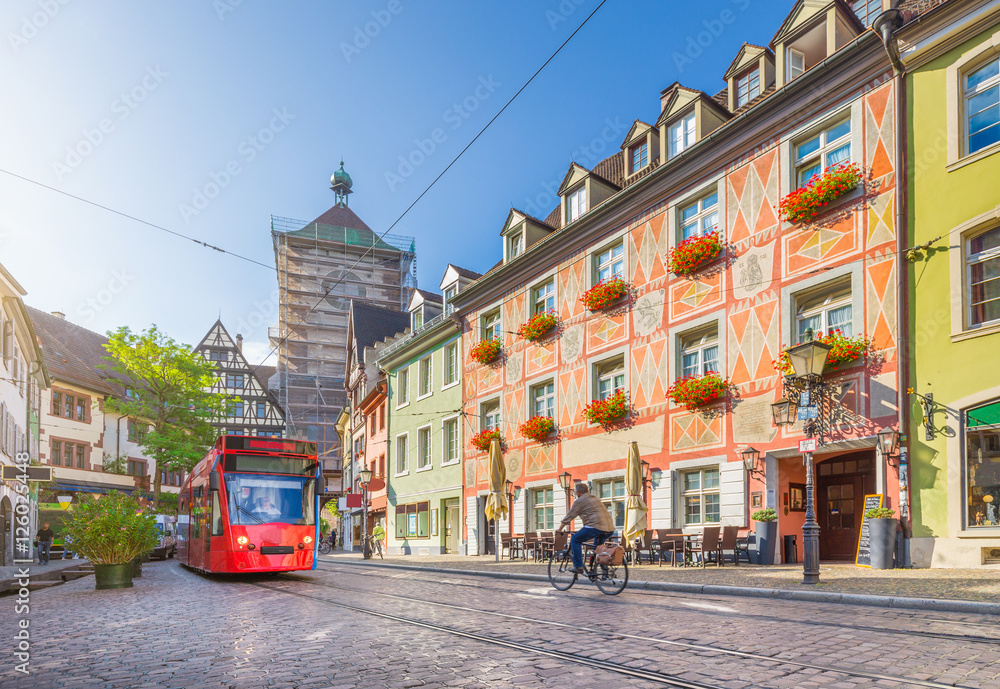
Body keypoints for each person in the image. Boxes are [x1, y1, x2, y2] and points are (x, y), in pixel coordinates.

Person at [556, 483, 615, 574]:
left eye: (576, 492)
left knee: (575, 539)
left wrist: (559, 529)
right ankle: (605, 572)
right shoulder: (595, 498)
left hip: (595, 526)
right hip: (609, 528)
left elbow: (570, 515)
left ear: (578, 492)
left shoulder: (580, 501)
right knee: (598, 548)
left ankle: (578, 566)